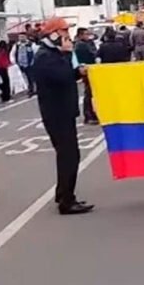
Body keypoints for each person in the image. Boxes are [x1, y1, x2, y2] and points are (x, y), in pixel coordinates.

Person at [32, 18, 94, 215]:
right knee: (69, 155)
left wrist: (79, 71)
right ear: (53, 34)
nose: (68, 36)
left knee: (67, 154)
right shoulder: (45, 56)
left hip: (62, 111)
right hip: (56, 113)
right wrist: (68, 56)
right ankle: (67, 200)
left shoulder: (54, 54)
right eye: (64, 31)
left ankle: (62, 193)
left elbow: (68, 75)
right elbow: (61, 77)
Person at [74, 27, 99, 125]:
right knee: (88, 94)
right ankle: (88, 115)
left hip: (89, 70)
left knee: (90, 93)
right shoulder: (81, 45)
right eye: (86, 34)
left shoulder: (86, 44)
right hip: (86, 70)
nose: (88, 36)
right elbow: (91, 55)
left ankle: (90, 114)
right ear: (80, 35)